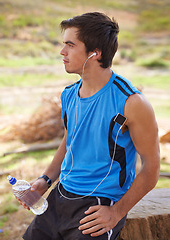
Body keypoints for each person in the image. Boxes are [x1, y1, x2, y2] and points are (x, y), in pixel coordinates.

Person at [18, 12, 160, 240]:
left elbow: (151, 169)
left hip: (98, 204)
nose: (62, 52)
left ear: (95, 53)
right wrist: (45, 180)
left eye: (70, 45)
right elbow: (70, 141)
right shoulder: (69, 95)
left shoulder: (131, 103)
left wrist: (116, 212)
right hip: (60, 196)